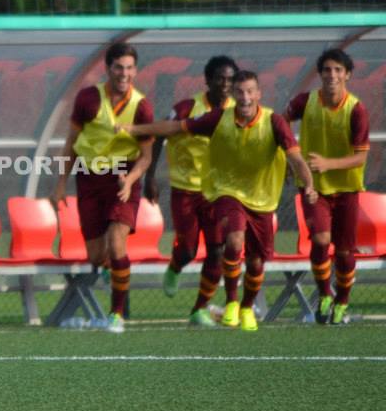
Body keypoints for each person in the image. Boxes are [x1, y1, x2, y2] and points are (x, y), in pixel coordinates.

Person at [121, 70, 318, 331]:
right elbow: (175, 127)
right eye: (240, 92)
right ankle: (232, 302)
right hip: (225, 190)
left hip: (262, 198)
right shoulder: (216, 117)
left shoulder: (274, 122)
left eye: (250, 92)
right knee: (232, 240)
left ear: (259, 94)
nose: (245, 98)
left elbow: (295, 157)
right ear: (233, 95)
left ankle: (247, 307)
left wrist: (309, 185)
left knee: (257, 261)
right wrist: (136, 128)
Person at [52, 43, 154, 333]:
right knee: (97, 255)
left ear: (136, 70)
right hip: (88, 178)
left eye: (130, 67)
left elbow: (146, 156)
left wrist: (131, 180)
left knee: (116, 241)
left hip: (123, 178)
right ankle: (115, 272)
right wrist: (60, 184)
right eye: (119, 67)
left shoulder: (142, 106)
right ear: (108, 68)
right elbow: (70, 144)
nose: (124, 73)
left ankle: (117, 315)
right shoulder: (87, 98)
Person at [143, 56, 238, 301]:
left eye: (230, 80)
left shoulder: (238, 111)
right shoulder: (187, 108)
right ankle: (175, 267)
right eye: (220, 78)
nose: (225, 84)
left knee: (217, 250)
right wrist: (150, 176)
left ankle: (201, 308)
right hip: (185, 190)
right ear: (208, 81)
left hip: (218, 192)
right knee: (187, 250)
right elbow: (159, 135)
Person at [284, 49, 368, 325]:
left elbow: (361, 156)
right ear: (320, 74)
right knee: (320, 240)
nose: (332, 75)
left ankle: (342, 301)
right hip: (313, 188)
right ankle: (324, 295)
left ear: (347, 75)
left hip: (346, 190)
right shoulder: (304, 101)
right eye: (327, 70)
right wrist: (290, 157)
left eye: (337, 70)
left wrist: (328, 164)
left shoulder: (356, 109)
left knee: (344, 252)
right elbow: (279, 124)